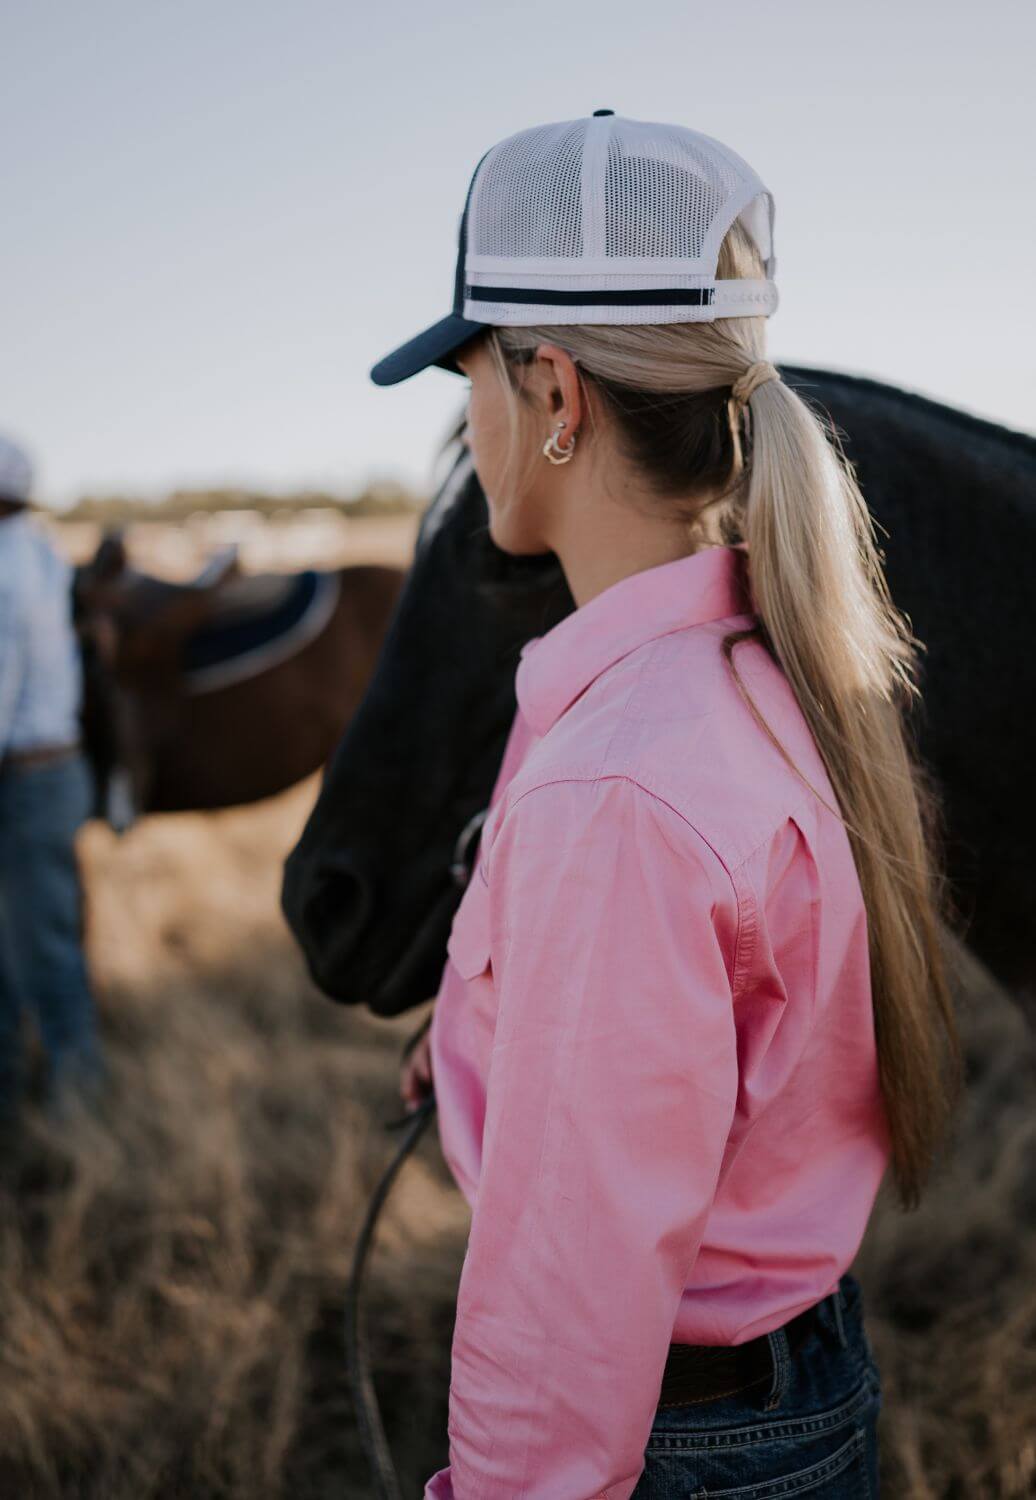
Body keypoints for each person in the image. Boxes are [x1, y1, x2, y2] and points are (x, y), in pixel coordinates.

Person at [385, 112, 961, 1499]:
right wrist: (480, 1049)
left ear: (559, 399)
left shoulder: (616, 787)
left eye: (471, 377)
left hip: (675, 1436)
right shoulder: (756, 670)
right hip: (794, 1381)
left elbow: (565, 1298)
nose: (468, 422)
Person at [0, 433, 102, 1138]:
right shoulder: (36, 549)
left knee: (39, 947)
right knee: (43, 939)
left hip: (25, 779)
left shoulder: (7, 567)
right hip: (51, 771)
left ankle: (72, 1101)